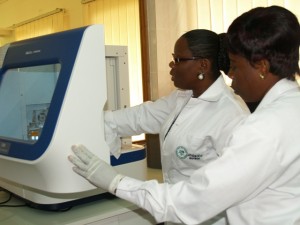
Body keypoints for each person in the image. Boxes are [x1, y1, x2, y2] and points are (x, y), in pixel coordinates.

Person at [69, 5, 300, 224]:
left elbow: (193, 201)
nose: (232, 77)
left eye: (236, 67)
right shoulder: (290, 108)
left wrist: (114, 181)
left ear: (261, 66)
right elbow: (136, 117)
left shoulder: (262, 127)